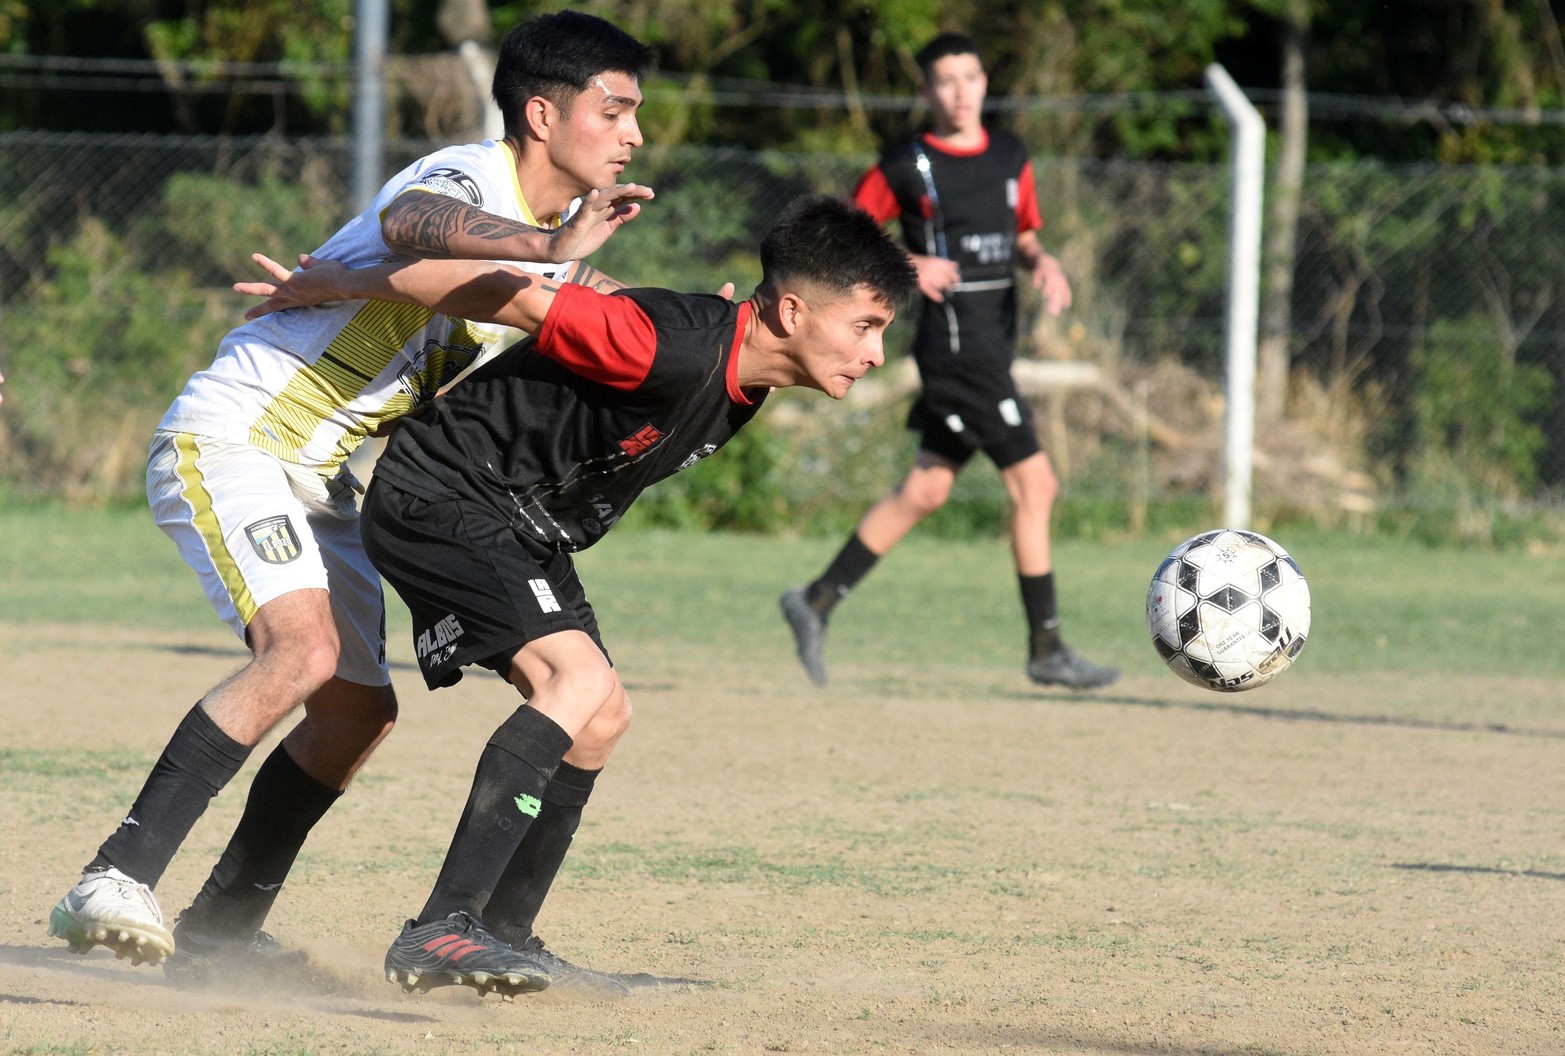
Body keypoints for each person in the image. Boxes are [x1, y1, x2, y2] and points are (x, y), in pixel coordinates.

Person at [47, 10, 655, 986]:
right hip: (238, 434)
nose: (631, 135)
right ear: (542, 113)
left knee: (357, 715)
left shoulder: (549, 251)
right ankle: (113, 876)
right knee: (304, 651)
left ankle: (218, 932)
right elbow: (418, 227)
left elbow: (612, 317)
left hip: (323, 479)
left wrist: (718, 331)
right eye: (613, 110)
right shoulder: (467, 176)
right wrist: (546, 243)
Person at [235, 193, 918, 997]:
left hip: (521, 523)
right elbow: (503, 287)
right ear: (795, 310)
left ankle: (500, 932)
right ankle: (441, 928)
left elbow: (608, 302)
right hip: (444, 496)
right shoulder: (672, 344)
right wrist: (341, 282)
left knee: (600, 717)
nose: (875, 353)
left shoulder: (728, 362)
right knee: (577, 683)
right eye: (865, 328)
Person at [778, 32, 1119, 691]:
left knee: (926, 489)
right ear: (927, 91)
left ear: (985, 82)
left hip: (995, 348)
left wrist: (1042, 262)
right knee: (1036, 485)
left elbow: (1023, 236)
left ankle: (814, 600)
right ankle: (1046, 647)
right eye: (945, 80)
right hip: (956, 355)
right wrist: (909, 263)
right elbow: (842, 237)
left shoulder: (1010, 156)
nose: (960, 92)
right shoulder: (906, 164)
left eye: (970, 77)